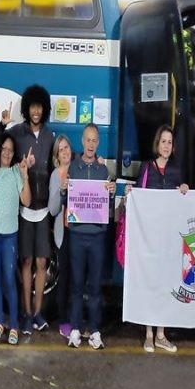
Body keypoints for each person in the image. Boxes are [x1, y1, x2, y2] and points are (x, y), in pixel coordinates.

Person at [125, 125, 188, 353]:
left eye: (170, 142)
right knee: (150, 284)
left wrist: (184, 189)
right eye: (163, 141)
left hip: (168, 238)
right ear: (157, 144)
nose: (167, 146)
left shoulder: (176, 170)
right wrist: (131, 194)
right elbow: (139, 197)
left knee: (165, 285)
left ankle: (162, 334)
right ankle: (149, 334)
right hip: (149, 239)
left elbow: (180, 203)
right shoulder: (147, 167)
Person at [0, 85, 55, 335]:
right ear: (26, 109)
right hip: (23, 209)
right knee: (27, 260)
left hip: (43, 210)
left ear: (45, 109)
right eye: (32, 106)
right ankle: (25, 313)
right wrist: (2, 126)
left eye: (39, 107)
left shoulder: (50, 136)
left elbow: (62, 161)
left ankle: (37, 313)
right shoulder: (17, 133)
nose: (36, 111)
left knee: (42, 261)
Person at [66, 124, 115, 350]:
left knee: (95, 287)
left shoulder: (103, 171)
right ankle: (75, 328)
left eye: (95, 140)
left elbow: (107, 206)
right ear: (82, 141)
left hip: (96, 236)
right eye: (88, 139)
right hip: (77, 235)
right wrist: (64, 189)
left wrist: (111, 193)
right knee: (77, 285)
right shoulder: (73, 168)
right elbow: (67, 201)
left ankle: (94, 330)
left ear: (98, 143)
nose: (91, 144)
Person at [0, 133, 31, 345]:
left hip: (10, 235)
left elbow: (27, 201)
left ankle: (13, 325)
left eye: (10, 150)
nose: (6, 153)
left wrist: (25, 176)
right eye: (4, 149)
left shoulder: (16, 172)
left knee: (9, 280)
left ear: (14, 154)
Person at [48, 135, 74, 339]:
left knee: (77, 278)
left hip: (80, 232)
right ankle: (64, 320)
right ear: (57, 156)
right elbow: (53, 208)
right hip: (64, 233)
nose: (64, 152)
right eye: (61, 150)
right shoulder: (56, 175)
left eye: (66, 148)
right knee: (64, 278)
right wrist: (61, 190)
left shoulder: (80, 169)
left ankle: (76, 319)